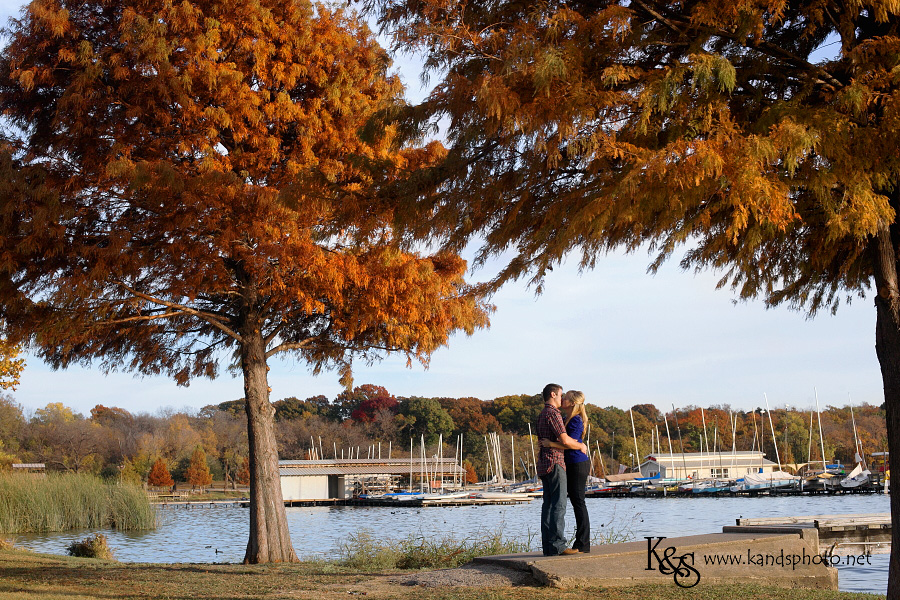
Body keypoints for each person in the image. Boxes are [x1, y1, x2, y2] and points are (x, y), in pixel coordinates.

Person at [536, 383, 588, 556]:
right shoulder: (554, 414)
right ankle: (558, 546)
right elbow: (565, 441)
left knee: (549, 505)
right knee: (559, 505)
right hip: (555, 462)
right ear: (553, 394)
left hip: (545, 463)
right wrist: (580, 446)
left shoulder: (543, 414)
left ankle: (549, 547)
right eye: (560, 395)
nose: (562, 398)